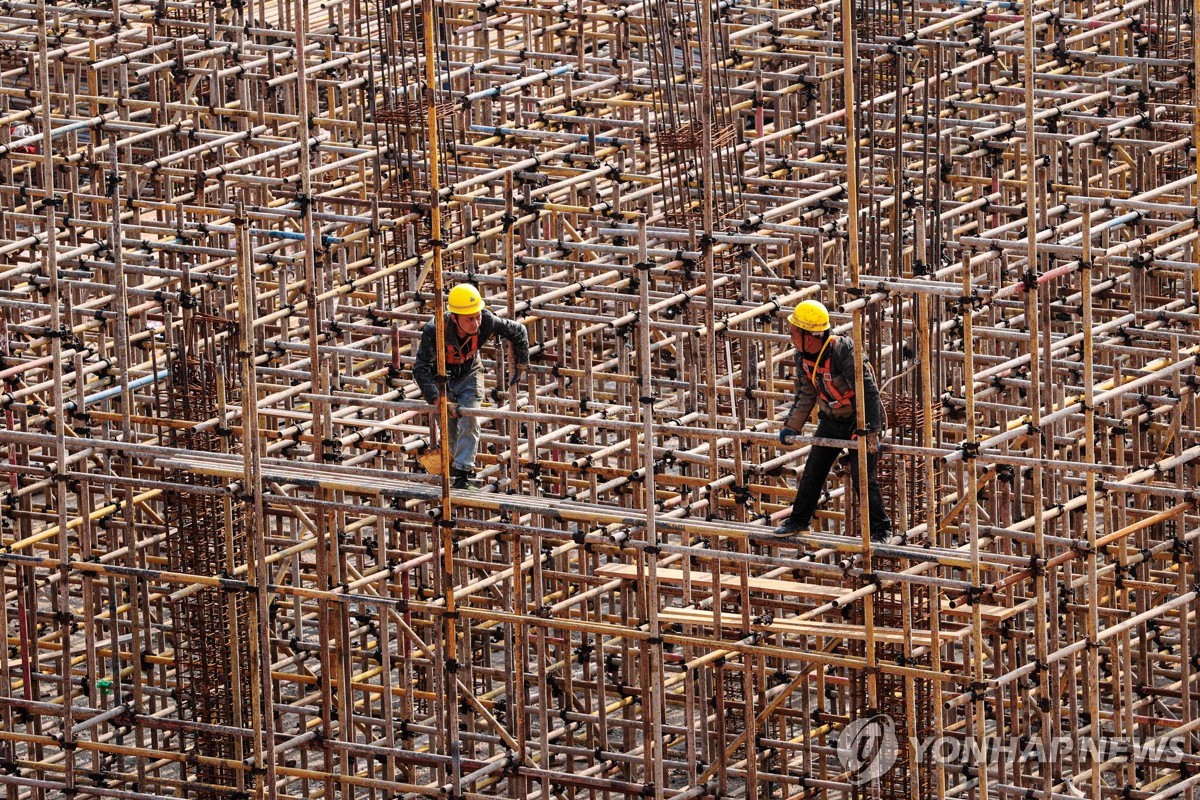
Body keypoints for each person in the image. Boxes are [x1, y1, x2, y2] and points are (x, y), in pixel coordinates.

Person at [771, 299, 892, 541]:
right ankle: (799, 520)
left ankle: (881, 530)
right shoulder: (803, 357)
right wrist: (791, 427)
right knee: (813, 471)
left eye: (795, 332)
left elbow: (868, 392)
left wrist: (868, 431)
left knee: (863, 479)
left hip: (859, 420)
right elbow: (806, 393)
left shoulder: (842, 352)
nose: (791, 336)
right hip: (831, 419)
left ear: (811, 336)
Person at [413, 283, 529, 488]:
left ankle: (464, 472)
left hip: (470, 372)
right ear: (455, 317)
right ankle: (451, 470)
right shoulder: (436, 330)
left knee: (471, 418)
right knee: (449, 426)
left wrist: (520, 364)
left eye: (477, 316)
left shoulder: (487, 321)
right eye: (469, 319)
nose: (475, 323)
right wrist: (440, 399)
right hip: (441, 377)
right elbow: (421, 369)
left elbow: (518, 331)